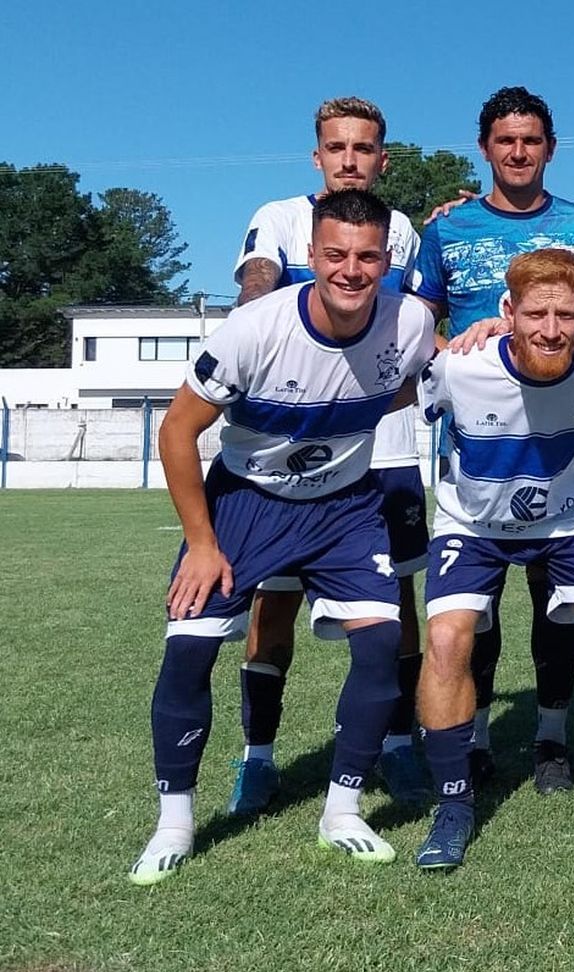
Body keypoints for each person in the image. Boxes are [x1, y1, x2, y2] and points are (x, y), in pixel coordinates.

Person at [129, 190, 436, 884]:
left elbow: (409, 384)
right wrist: (203, 544)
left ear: (386, 260)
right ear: (311, 256)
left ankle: (343, 811)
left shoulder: (409, 322)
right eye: (335, 255)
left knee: (383, 641)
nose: (351, 271)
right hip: (247, 505)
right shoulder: (252, 331)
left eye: (365, 257)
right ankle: (174, 823)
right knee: (187, 652)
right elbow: (177, 431)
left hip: (346, 507)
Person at [409, 86, 574, 796]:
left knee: (560, 600)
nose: (517, 152)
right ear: (485, 148)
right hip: (481, 445)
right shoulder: (447, 230)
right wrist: (468, 345)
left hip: (564, 444)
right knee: (472, 615)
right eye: (504, 141)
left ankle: (548, 737)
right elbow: (418, 328)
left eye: (531, 140)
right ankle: (476, 737)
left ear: (549, 148)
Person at [226, 96, 431, 816]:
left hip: (387, 449)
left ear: (383, 158)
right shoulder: (281, 218)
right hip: (294, 454)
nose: (350, 158)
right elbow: (256, 282)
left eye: (364, 148)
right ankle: (258, 756)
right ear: (317, 154)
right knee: (273, 604)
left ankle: (398, 745)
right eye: (337, 147)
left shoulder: (402, 231)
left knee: (398, 606)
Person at [415, 249, 574, 867]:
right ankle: (453, 805)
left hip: (573, 517)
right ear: (507, 312)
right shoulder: (460, 368)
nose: (551, 330)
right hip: (474, 520)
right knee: (445, 641)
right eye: (536, 314)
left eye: (567, 315)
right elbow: (400, 389)